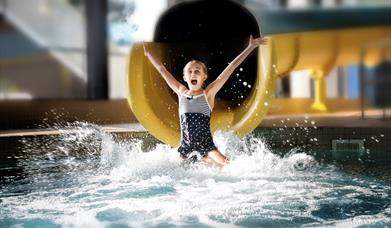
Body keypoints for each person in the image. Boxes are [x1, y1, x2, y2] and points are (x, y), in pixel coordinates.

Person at [143, 35, 267, 168]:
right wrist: (149, 54)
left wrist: (250, 47)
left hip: (207, 148)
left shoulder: (208, 94)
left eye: (197, 71)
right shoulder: (181, 92)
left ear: (204, 77)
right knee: (167, 170)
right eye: (189, 72)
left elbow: (232, 67)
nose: (193, 74)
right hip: (185, 148)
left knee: (229, 166)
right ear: (184, 77)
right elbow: (162, 70)